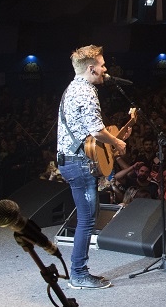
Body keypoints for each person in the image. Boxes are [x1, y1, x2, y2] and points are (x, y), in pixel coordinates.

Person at [55, 45, 125, 290]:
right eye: (102, 65)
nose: (105, 69)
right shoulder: (86, 91)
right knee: (86, 219)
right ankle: (79, 274)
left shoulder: (72, 88)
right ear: (91, 68)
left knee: (86, 217)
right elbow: (96, 130)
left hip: (72, 160)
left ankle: (78, 270)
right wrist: (116, 141)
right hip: (79, 164)